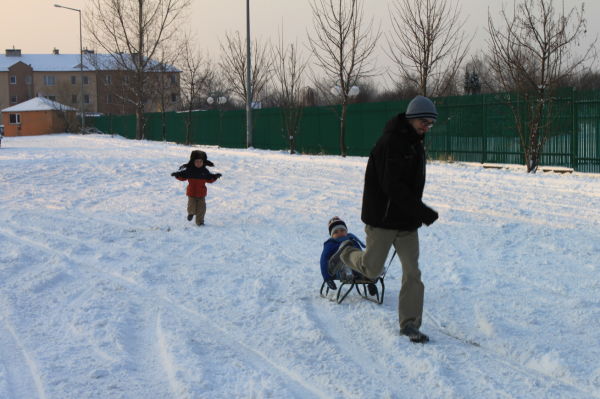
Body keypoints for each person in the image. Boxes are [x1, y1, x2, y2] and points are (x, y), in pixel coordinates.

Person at [329, 95, 439, 343]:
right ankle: (347, 251)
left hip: (407, 224)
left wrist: (415, 212)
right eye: (424, 121)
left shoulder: (415, 143)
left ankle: (409, 324)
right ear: (411, 119)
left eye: (430, 123)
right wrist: (422, 210)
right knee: (372, 270)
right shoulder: (390, 143)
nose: (427, 127)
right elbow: (393, 186)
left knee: (413, 273)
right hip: (383, 219)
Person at [171, 150, 221, 226]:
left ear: (203, 162)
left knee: (202, 209)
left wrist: (215, 177)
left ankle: (200, 222)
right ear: (193, 162)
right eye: (197, 161)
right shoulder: (189, 171)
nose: (198, 163)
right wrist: (177, 175)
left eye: (200, 161)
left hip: (201, 193)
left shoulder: (205, 171)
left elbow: (209, 179)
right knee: (191, 205)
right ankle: (191, 213)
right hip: (191, 193)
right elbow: (183, 176)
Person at [320, 217, 365, 290]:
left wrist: (370, 284)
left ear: (346, 232)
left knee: (360, 258)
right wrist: (327, 278)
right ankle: (346, 269)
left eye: (342, 230)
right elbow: (324, 260)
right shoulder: (330, 244)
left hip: (354, 268)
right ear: (331, 235)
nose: (339, 233)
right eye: (336, 232)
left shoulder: (352, 241)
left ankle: (371, 272)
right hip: (337, 270)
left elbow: (360, 255)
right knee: (344, 251)